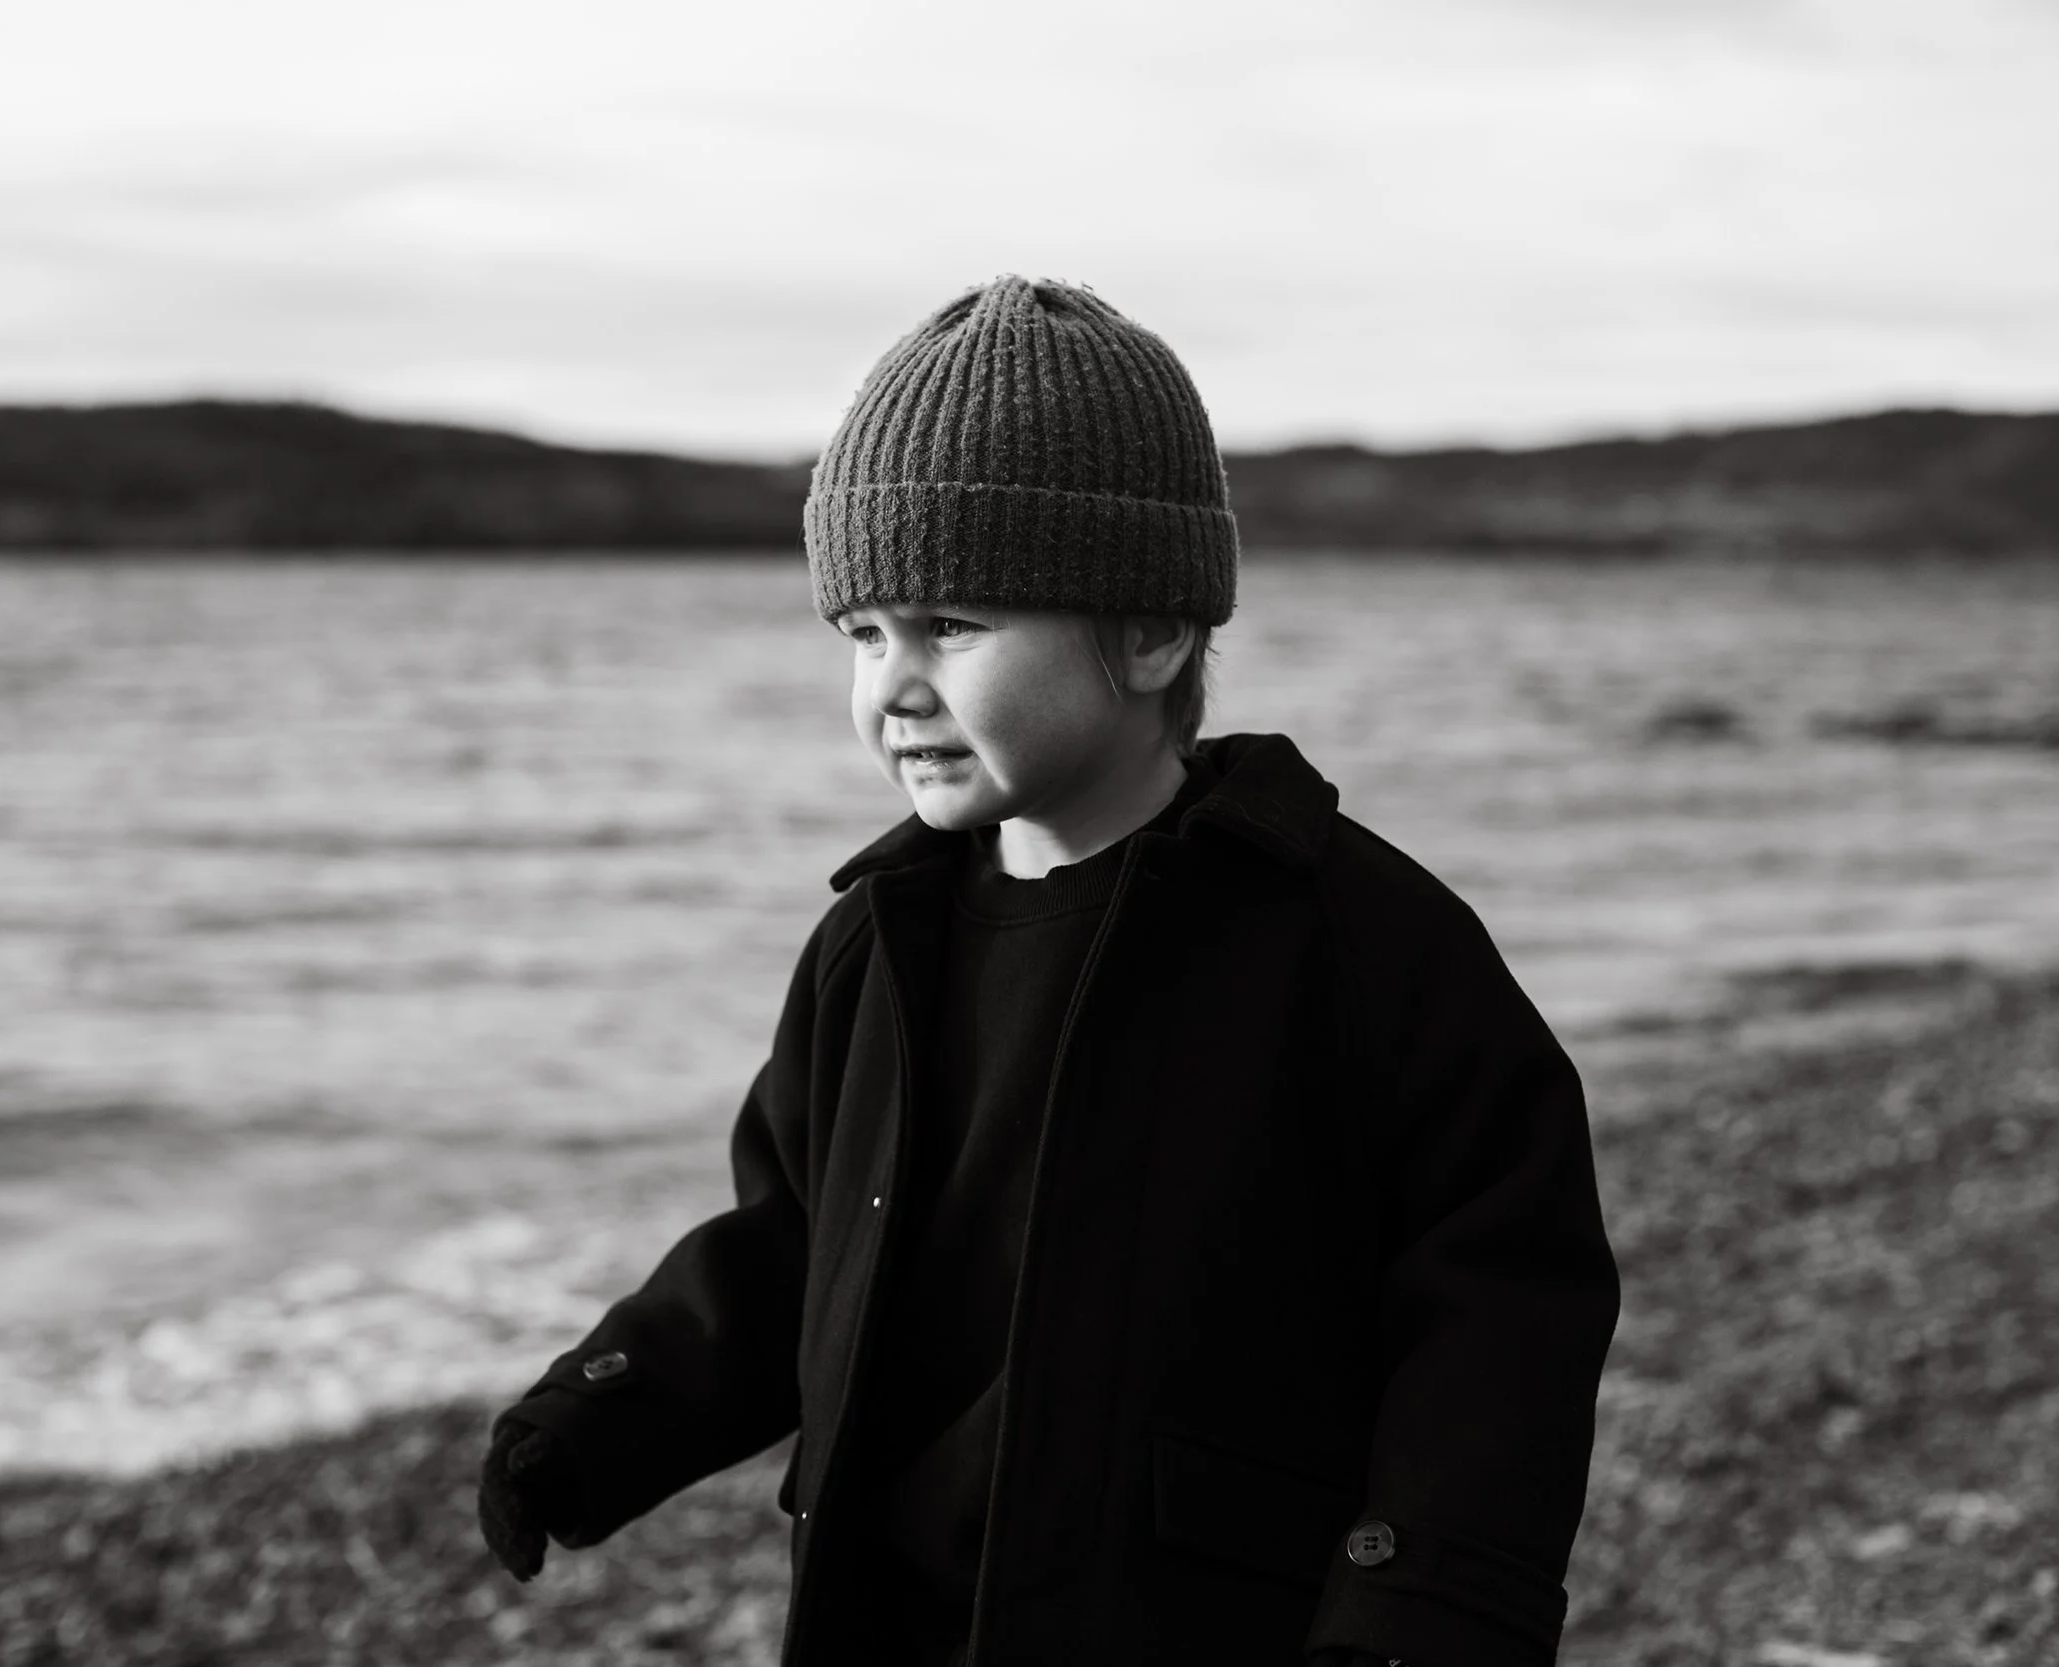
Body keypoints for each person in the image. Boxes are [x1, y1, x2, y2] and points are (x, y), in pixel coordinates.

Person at [477, 274, 1620, 1667]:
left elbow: (1501, 1311)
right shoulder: (877, 943)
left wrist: (1416, 1605)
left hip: (1203, 1617)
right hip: (894, 1611)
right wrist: (596, 1410)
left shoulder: (1351, 940)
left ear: (1152, 631)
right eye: (862, 633)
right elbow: (788, 1243)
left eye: (951, 625)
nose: (894, 685)